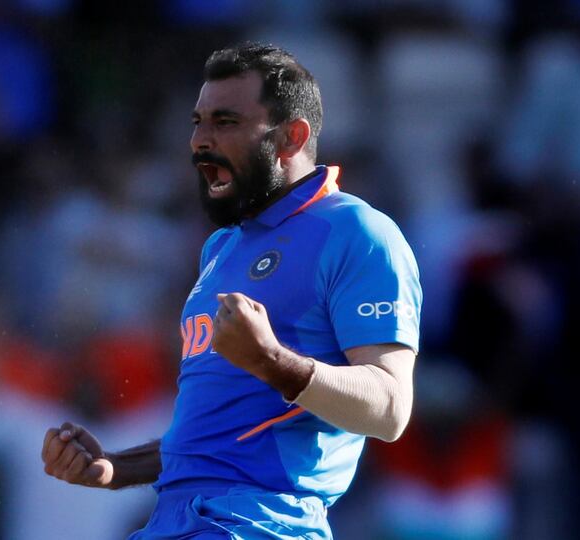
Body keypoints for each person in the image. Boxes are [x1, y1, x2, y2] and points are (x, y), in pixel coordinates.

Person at [41, 43, 422, 539]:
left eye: (225, 122)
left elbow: (391, 408)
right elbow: (219, 433)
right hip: (175, 523)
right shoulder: (222, 247)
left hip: (263, 526)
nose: (200, 140)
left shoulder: (357, 233)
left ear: (291, 137)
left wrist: (273, 361)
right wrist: (115, 467)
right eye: (197, 122)